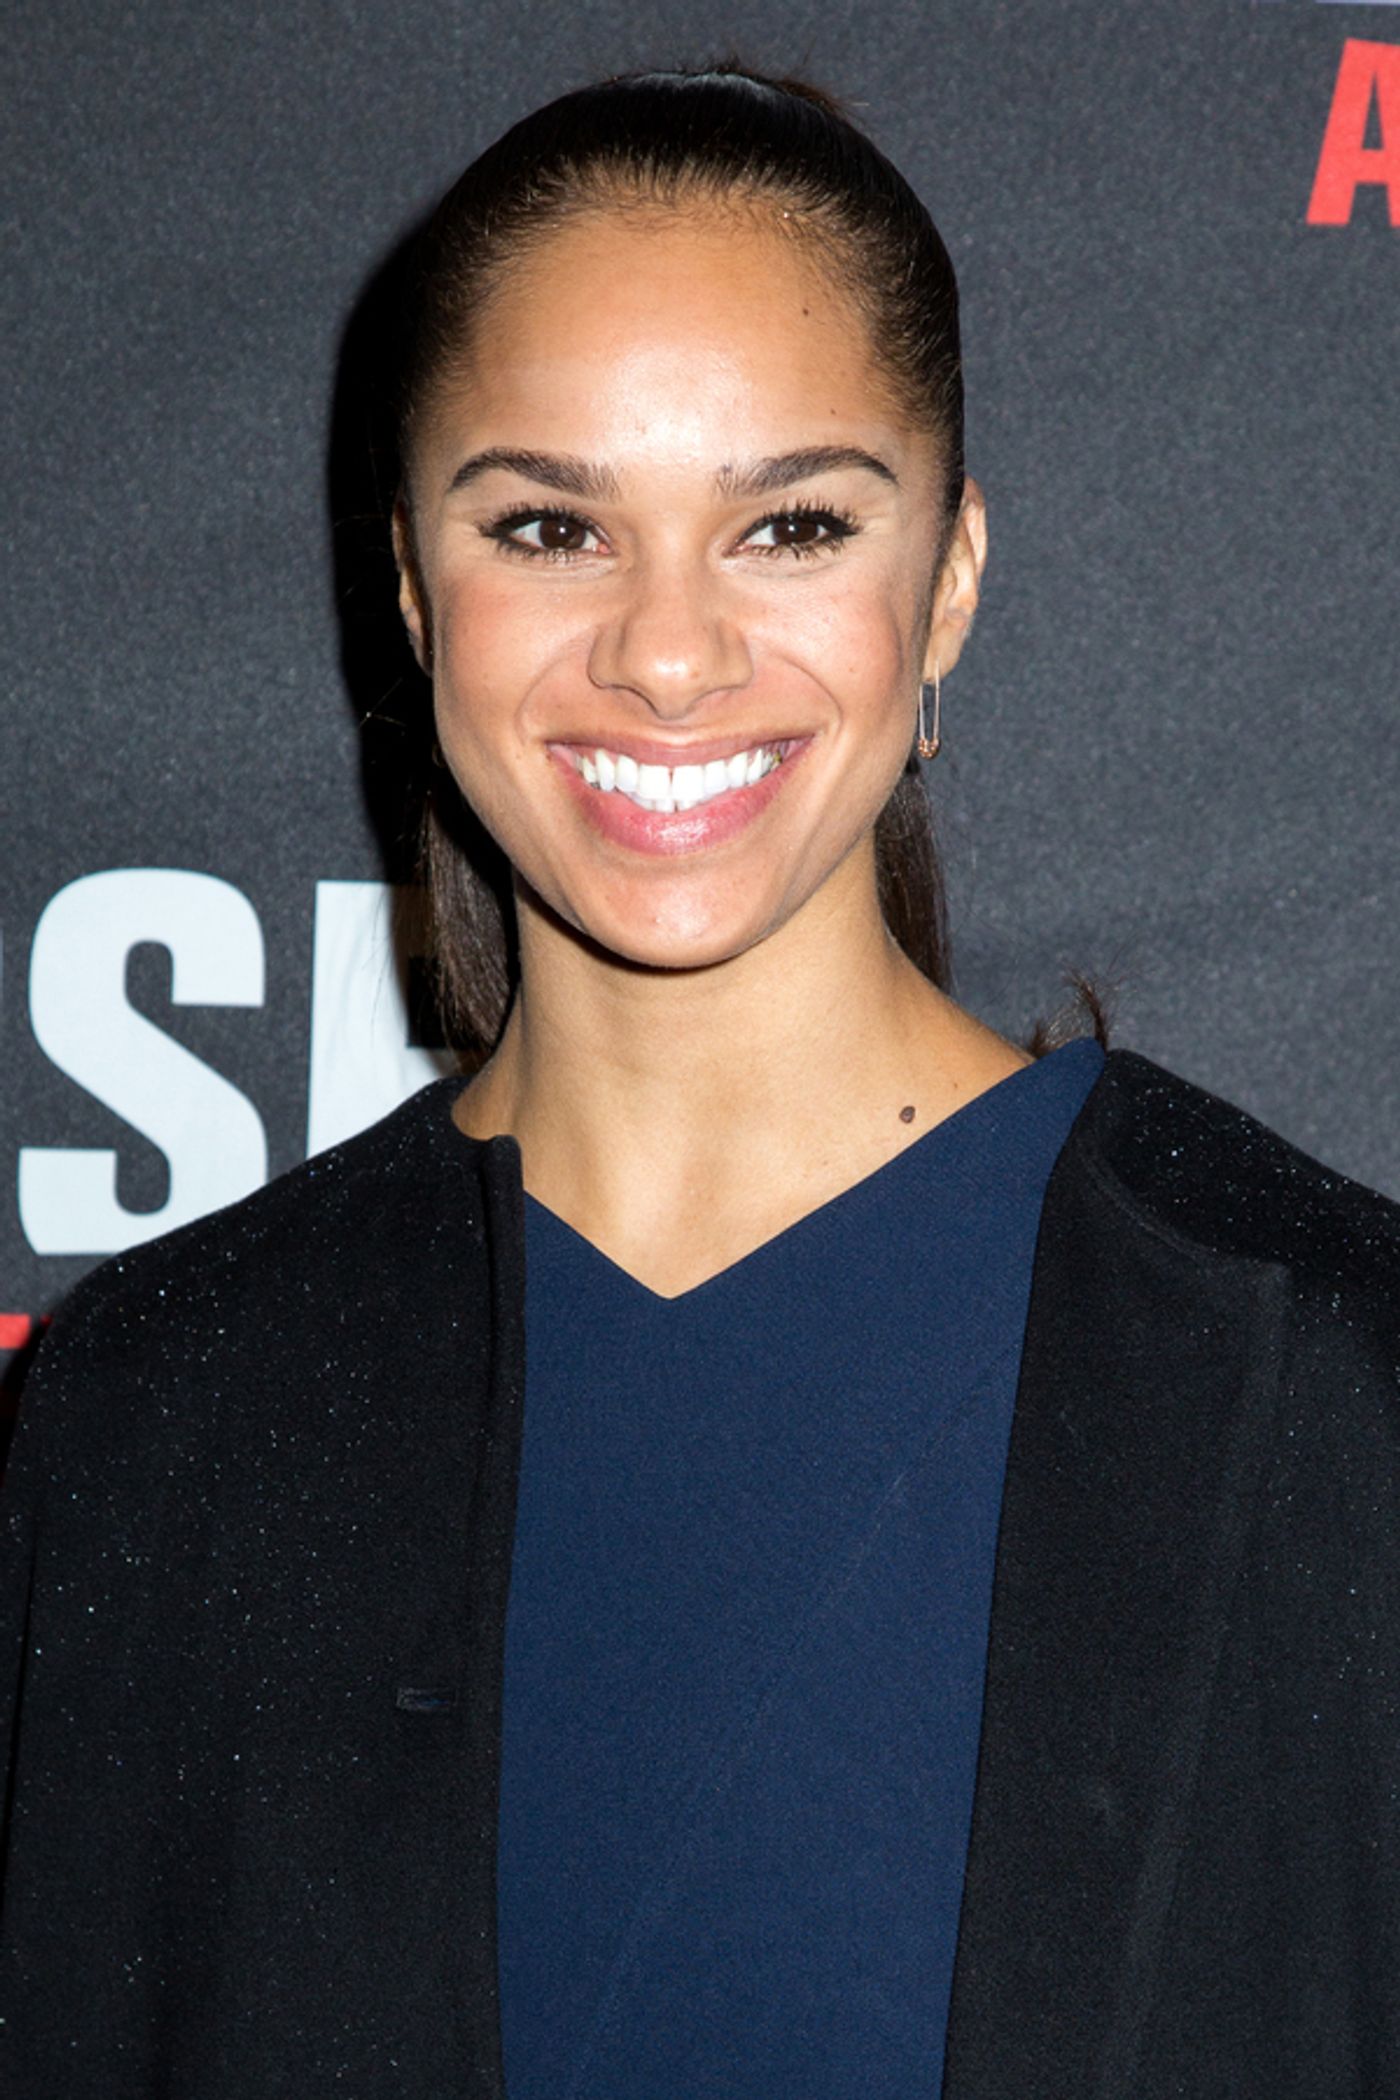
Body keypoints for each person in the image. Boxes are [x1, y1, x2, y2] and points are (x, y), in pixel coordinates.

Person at [2, 62, 1399, 2100]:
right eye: (553, 524)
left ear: (949, 578)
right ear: (411, 584)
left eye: (792, 523)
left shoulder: (1335, 1386)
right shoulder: (158, 1422)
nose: (669, 652)